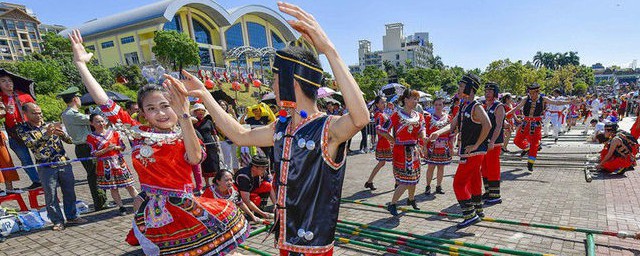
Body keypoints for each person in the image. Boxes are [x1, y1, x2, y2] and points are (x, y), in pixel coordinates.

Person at [165, 2, 370, 254]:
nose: (271, 87)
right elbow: (240, 135)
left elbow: (360, 118)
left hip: (313, 246)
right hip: (285, 239)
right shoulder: (282, 127)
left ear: (290, 83)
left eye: (274, 80)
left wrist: (329, 50)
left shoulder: (328, 128)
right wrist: (205, 95)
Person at [70, 29, 248, 255]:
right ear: (142, 113)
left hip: (185, 208)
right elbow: (102, 99)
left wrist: (184, 116)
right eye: (151, 109)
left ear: (177, 104)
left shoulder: (186, 133)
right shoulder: (138, 132)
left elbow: (194, 158)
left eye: (165, 105)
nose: (161, 113)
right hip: (152, 211)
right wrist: (81, 64)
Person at [430, 74, 491, 229]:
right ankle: (478, 210)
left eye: (462, 86)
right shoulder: (464, 105)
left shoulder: (475, 106)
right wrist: (438, 133)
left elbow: (488, 125)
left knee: (459, 183)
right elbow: (452, 125)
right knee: (474, 181)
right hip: (469, 152)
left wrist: (477, 144)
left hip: (473, 152)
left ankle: (470, 215)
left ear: (470, 88)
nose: (459, 89)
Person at [17, 102, 87, 231]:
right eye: (34, 113)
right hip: (46, 166)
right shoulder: (23, 129)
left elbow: (69, 141)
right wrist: (46, 135)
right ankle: (57, 220)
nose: (39, 115)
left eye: (40, 113)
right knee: (51, 196)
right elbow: (31, 145)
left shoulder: (49, 125)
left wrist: (62, 134)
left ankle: (72, 216)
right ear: (25, 114)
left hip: (63, 162)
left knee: (69, 192)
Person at [59, 86, 108, 211]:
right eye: (79, 98)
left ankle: (102, 201)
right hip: (85, 146)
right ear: (75, 99)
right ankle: (100, 202)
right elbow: (93, 120)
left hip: (85, 146)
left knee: (96, 173)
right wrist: (99, 112)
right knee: (94, 175)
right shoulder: (71, 114)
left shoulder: (69, 113)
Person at [507, 83, 573, 172]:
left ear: (537, 92)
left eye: (533, 93)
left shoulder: (543, 99)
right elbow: (517, 107)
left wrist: (570, 102)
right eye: (530, 93)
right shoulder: (525, 99)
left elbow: (556, 103)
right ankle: (527, 148)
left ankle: (530, 163)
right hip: (525, 123)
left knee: (534, 145)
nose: (531, 95)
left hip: (536, 124)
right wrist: (507, 114)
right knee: (517, 141)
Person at [86, 114, 138, 216]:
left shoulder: (113, 133)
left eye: (102, 121)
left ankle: (140, 203)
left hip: (119, 162)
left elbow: (122, 147)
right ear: (92, 123)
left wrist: (115, 148)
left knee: (129, 185)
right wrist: (106, 149)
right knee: (113, 187)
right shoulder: (91, 137)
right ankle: (121, 207)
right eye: (97, 121)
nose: (101, 123)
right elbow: (94, 153)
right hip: (106, 165)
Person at [386, 89, 427, 215]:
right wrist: (394, 140)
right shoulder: (396, 115)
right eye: (413, 99)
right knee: (405, 180)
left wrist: (424, 137)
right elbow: (382, 129)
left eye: (417, 99)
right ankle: (392, 204)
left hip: (414, 150)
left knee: (414, 177)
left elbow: (421, 130)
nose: (416, 101)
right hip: (401, 151)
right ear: (405, 100)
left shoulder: (419, 116)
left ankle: (411, 199)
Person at [0, 69, 40, 190]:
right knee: (25, 160)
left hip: (31, 130)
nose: (8, 83)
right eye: (3, 81)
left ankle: (47, 178)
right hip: (14, 134)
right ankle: (37, 181)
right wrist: (4, 111)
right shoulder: (0, 99)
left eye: (9, 80)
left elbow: (38, 112)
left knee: (41, 156)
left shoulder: (24, 95)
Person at [480, 82, 505, 205]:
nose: (487, 93)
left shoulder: (498, 106)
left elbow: (499, 126)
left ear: (495, 92)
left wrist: (493, 141)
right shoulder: (485, 106)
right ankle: (488, 191)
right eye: (486, 91)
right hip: (485, 141)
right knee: (484, 167)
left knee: (493, 167)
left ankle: (495, 195)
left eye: (490, 91)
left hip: (494, 142)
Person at [424, 97, 453, 195]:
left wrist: (452, 147)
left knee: (441, 167)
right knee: (431, 167)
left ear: (443, 106)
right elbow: (425, 134)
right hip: (432, 147)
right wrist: (424, 147)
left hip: (444, 146)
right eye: (436, 104)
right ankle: (428, 186)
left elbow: (451, 134)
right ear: (433, 105)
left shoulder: (448, 118)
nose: (438, 106)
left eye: (440, 104)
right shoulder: (428, 118)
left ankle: (438, 186)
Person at [234, 155, 275, 220]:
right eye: (262, 169)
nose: (264, 171)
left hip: (251, 192)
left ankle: (260, 210)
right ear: (253, 167)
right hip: (239, 198)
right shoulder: (244, 176)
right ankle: (251, 213)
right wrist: (263, 214)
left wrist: (275, 205)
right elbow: (246, 200)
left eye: (265, 168)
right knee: (255, 200)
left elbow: (270, 188)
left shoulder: (262, 173)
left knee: (267, 185)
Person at [364, 95, 392, 191]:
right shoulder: (379, 115)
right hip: (384, 141)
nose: (384, 104)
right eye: (382, 102)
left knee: (382, 163)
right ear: (377, 104)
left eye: (385, 102)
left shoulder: (383, 113)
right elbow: (379, 129)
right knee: (394, 161)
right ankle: (398, 183)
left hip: (386, 140)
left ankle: (369, 181)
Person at [191, 103, 223, 188]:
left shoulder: (209, 121)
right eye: (198, 111)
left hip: (211, 145)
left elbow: (214, 133)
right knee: (204, 164)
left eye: (202, 111)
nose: (200, 112)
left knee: (215, 162)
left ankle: (216, 181)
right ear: (195, 112)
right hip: (200, 145)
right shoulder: (193, 123)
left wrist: (217, 144)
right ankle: (207, 183)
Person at [217, 100, 239, 172]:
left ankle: (236, 174)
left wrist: (233, 113)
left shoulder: (230, 115)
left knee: (235, 157)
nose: (223, 106)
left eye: (224, 105)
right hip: (224, 139)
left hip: (233, 138)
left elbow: (237, 124)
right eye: (221, 105)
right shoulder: (216, 115)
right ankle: (228, 174)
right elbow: (218, 127)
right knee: (227, 158)